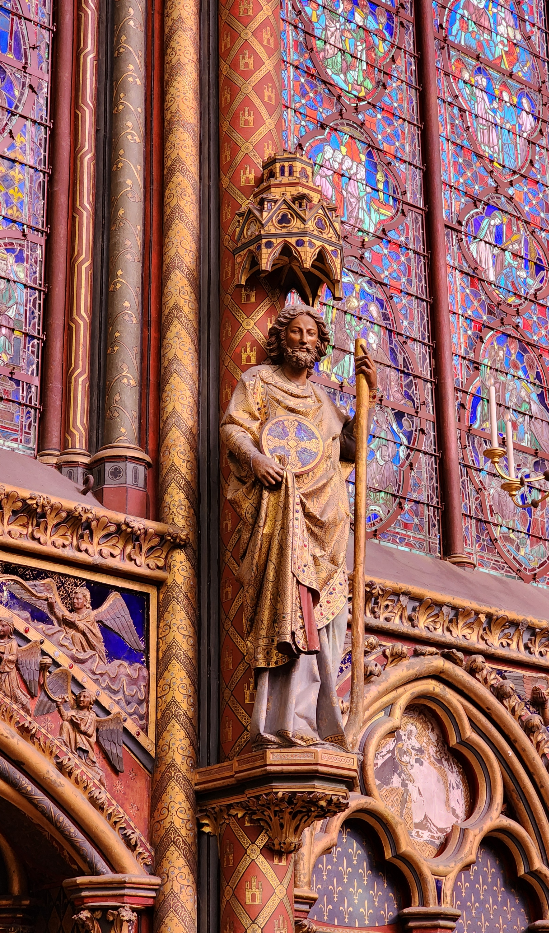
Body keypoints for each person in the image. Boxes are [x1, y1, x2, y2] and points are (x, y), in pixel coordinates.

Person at [221, 301, 377, 750]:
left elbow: (349, 448)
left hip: (327, 522)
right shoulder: (258, 382)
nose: (305, 339)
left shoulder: (322, 400)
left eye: (312, 334)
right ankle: (285, 721)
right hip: (281, 517)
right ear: (281, 338)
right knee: (288, 609)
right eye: (296, 331)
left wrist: (368, 397)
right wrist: (255, 458)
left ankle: (319, 719)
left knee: (329, 618)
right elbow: (233, 427)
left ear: (320, 344)